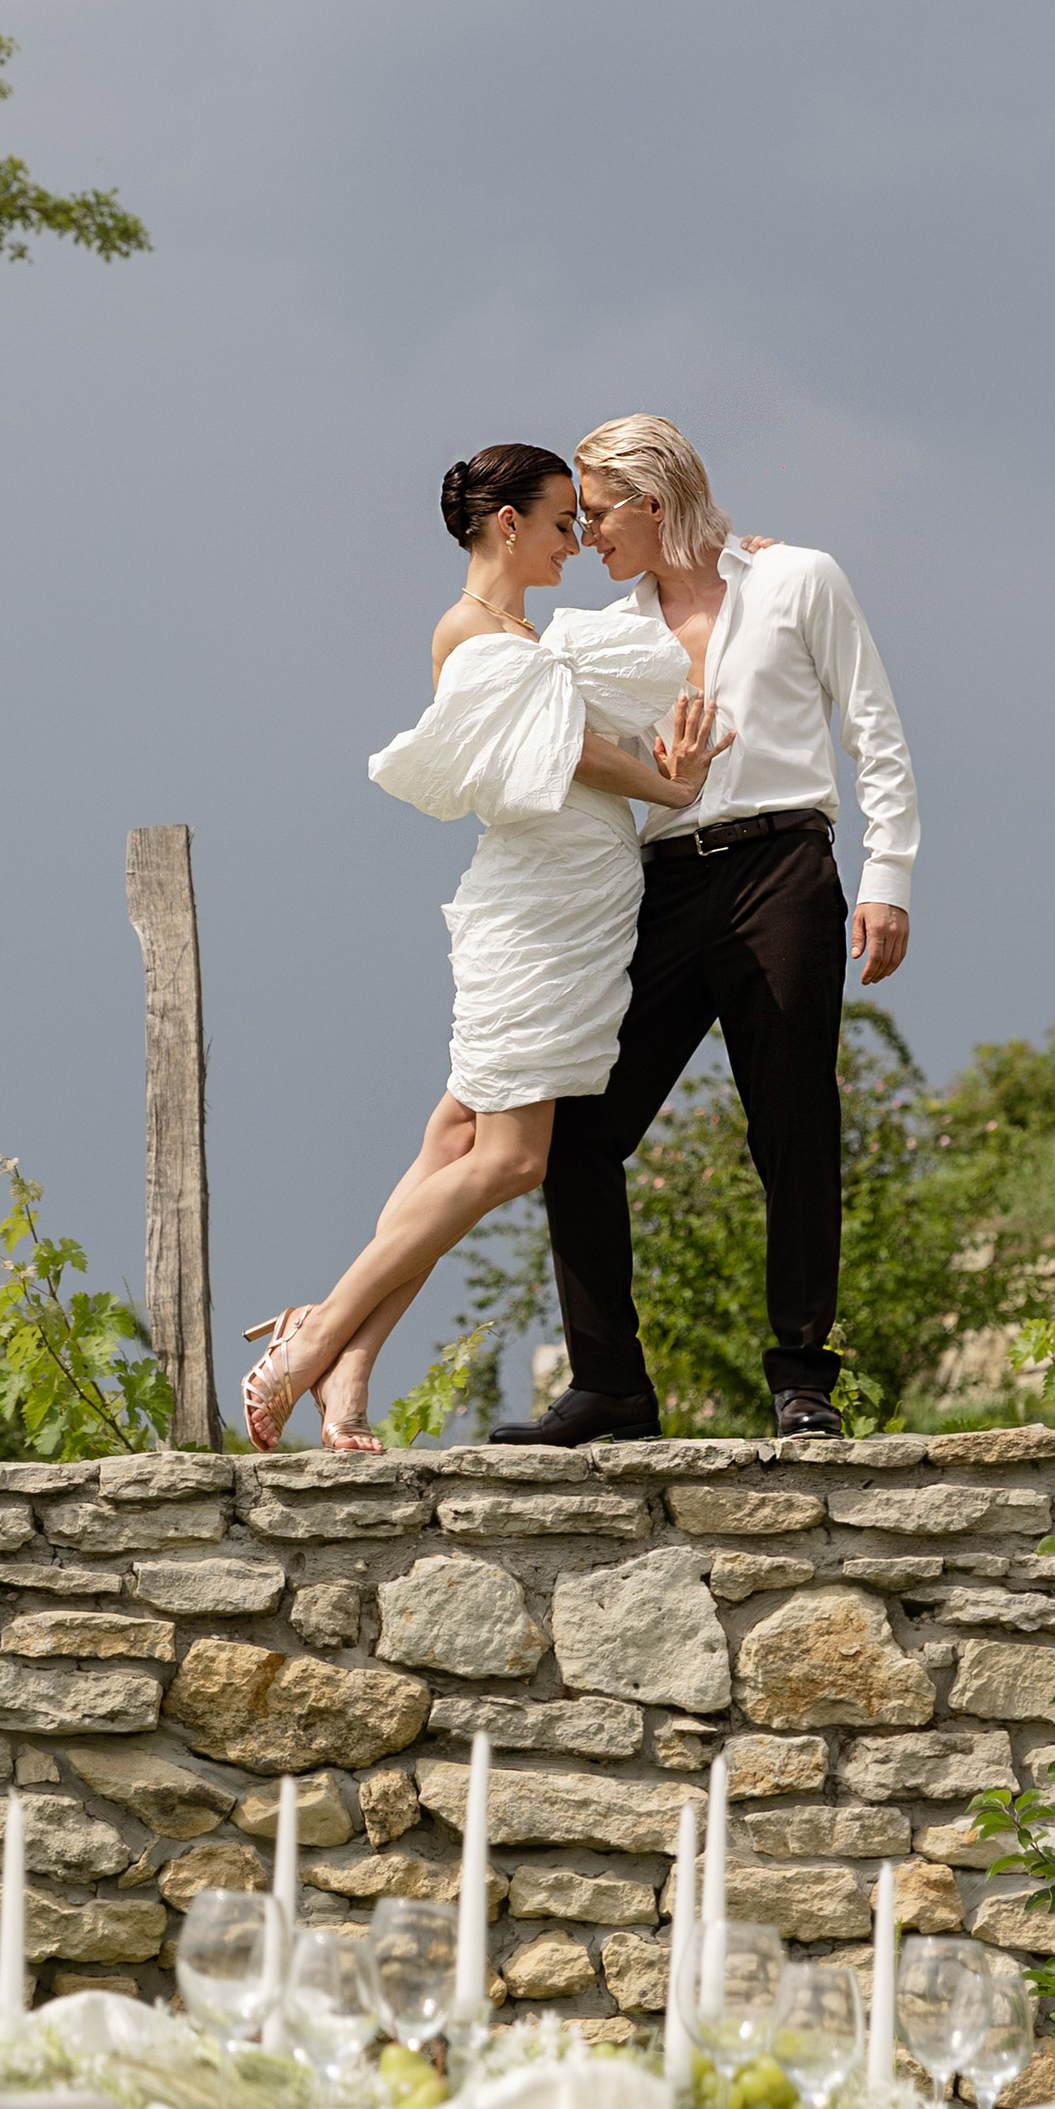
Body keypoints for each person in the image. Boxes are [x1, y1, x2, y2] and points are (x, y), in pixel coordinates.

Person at [240, 441, 729, 1451]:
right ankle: (315, 1335)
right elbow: (568, 748)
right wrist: (673, 789)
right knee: (510, 1161)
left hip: (585, 910)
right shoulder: (471, 634)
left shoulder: (524, 633)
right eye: (561, 523)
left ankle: (350, 1371)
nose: (576, 540)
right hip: (535, 916)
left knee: (453, 1141)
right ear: (506, 524)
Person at [501, 412, 919, 1448]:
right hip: (660, 888)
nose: (587, 536)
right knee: (578, 1130)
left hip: (785, 868)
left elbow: (871, 726)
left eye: (597, 515)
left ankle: (802, 1382)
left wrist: (889, 876)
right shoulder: (598, 633)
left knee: (792, 1125)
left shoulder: (799, 579)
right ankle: (609, 1387)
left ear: (653, 503)